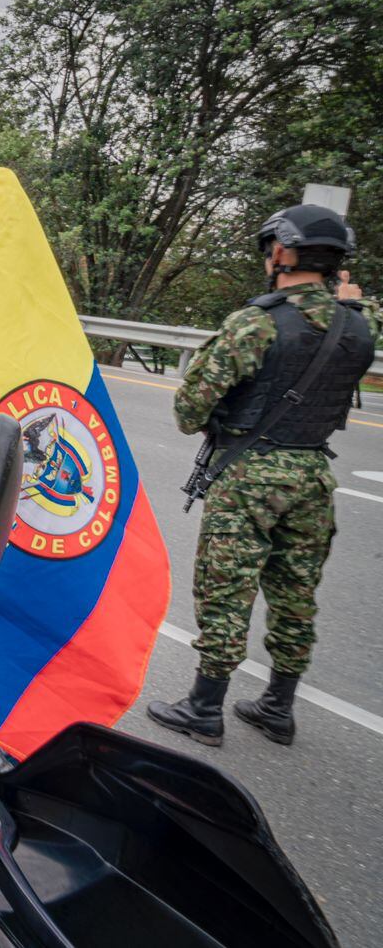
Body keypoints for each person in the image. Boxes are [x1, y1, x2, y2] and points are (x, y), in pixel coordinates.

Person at [148, 205, 382, 746]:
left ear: (281, 252)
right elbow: (361, 310)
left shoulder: (256, 321)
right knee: (296, 593)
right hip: (314, 476)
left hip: (251, 478)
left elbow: (187, 413)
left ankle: (204, 709)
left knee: (227, 591)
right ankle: (278, 706)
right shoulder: (360, 322)